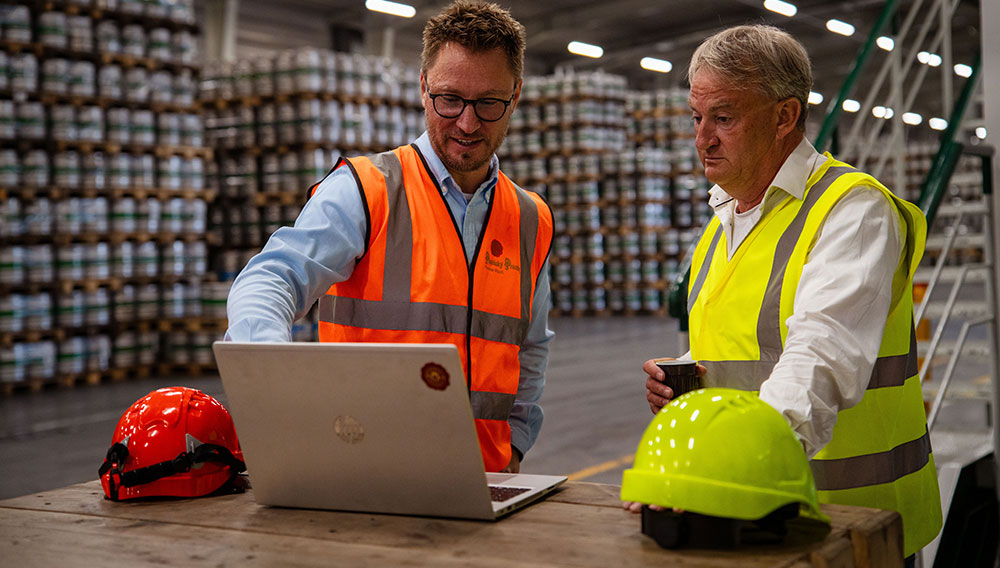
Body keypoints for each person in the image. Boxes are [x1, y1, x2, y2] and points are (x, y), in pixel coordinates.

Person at [636, 24, 941, 560]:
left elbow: (820, 359)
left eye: (724, 118)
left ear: (785, 117)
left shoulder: (853, 211)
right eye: (697, 117)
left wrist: (715, 475)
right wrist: (686, 371)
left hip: (845, 525)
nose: (702, 138)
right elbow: (746, 342)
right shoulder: (724, 221)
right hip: (745, 514)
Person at [224, 0, 553, 475]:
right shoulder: (366, 189)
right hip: (367, 473)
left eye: (488, 103)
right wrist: (271, 379)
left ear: (515, 96)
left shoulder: (529, 219)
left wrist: (516, 443)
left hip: (485, 479)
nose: (467, 122)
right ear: (423, 88)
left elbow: (531, 345)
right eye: (450, 99)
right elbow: (273, 277)